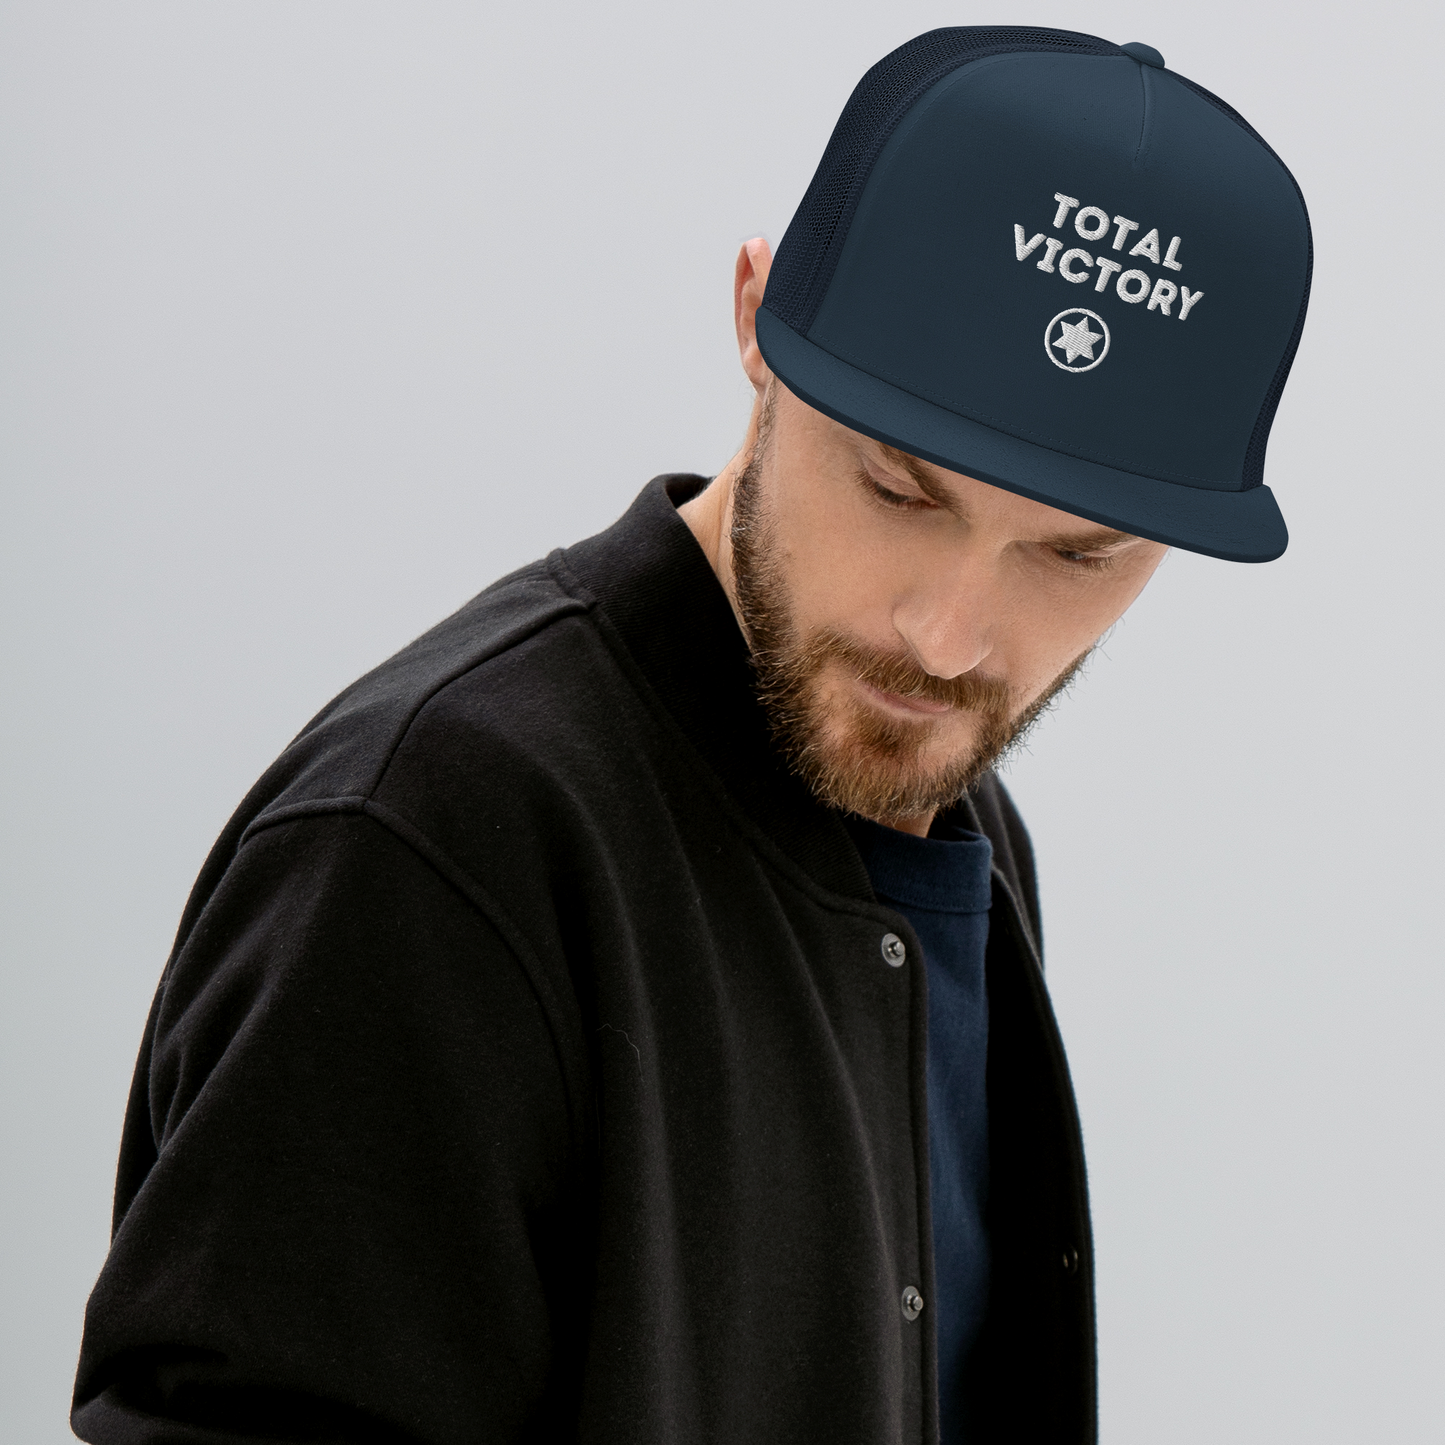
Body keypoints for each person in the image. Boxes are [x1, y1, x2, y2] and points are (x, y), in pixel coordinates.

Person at [72, 25, 1312, 1445]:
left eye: (1079, 556)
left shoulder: (955, 817)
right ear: (756, 323)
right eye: (900, 489)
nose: (951, 639)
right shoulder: (430, 847)